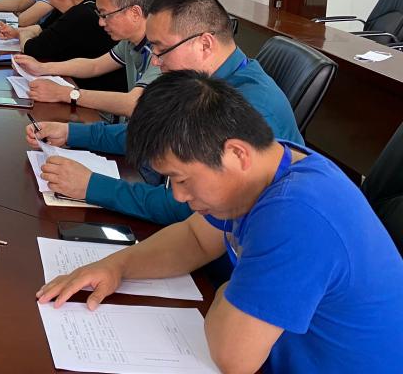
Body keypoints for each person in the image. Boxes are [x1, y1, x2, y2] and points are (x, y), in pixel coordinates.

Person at [38, 71, 403, 374]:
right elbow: (195, 239)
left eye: (181, 179)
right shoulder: (265, 164)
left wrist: (232, 286)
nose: (178, 196)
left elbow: (234, 358)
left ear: (236, 154)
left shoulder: (299, 214)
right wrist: (116, 266)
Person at [27, 0, 303, 224]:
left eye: (161, 49)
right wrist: (71, 133)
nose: (156, 62)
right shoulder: (203, 83)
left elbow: (186, 207)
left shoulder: (250, 106)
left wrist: (91, 186)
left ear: (205, 44)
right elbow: (153, 135)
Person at [12, 0, 158, 118]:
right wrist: (41, 68)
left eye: (105, 15)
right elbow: (95, 66)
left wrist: (66, 94)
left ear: (135, 13)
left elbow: (133, 103)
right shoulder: (129, 41)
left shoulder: (161, 52)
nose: (101, 22)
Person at [7, 0, 125, 92]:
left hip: (95, 92)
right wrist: (21, 33)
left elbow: (32, 49)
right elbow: (40, 29)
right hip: (76, 83)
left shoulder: (81, 15)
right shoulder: (69, 8)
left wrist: (24, 33)